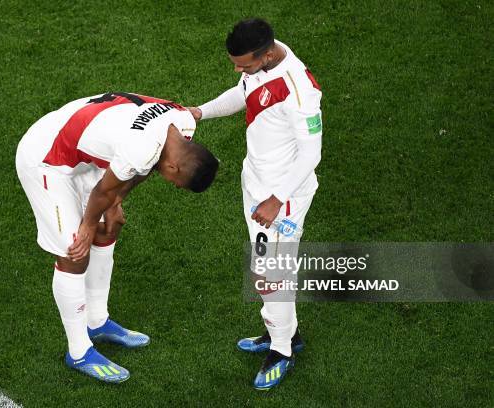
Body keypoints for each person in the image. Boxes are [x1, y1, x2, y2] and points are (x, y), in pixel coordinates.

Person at [16, 92, 218, 383]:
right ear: (175, 167)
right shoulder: (142, 148)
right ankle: (79, 351)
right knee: (75, 249)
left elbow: (141, 169)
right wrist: (87, 224)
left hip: (83, 151)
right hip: (47, 157)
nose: (174, 187)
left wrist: (114, 203)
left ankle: (97, 321)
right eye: (178, 185)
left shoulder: (182, 124)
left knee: (109, 227)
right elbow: (104, 191)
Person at [188, 18, 322, 390]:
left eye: (243, 64)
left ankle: (282, 351)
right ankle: (286, 334)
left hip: (282, 200)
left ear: (265, 55)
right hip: (259, 187)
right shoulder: (261, 63)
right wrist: (200, 111)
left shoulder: (299, 92)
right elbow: (243, 93)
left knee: (269, 277)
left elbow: (311, 153)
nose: (238, 70)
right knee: (268, 273)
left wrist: (277, 200)